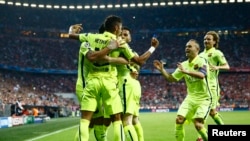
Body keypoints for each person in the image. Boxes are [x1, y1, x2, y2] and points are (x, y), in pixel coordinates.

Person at [64, 15, 126, 141]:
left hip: (93, 84)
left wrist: (71, 30)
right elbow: (92, 57)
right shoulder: (87, 44)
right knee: (96, 121)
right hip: (87, 84)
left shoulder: (88, 41)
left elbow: (71, 36)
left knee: (95, 121)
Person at [153, 39, 212, 141]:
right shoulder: (183, 65)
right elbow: (171, 79)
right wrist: (162, 70)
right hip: (190, 98)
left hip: (204, 99)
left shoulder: (202, 61)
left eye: (190, 46)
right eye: (186, 47)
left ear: (197, 49)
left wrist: (186, 71)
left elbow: (202, 75)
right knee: (179, 120)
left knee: (198, 125)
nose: (187, 48)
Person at [196, 31, 230, 141]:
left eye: (209, 39)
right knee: (203, 111)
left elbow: (227, 66)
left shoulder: (217, 53)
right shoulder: (200, 55)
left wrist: (217, 67)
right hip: (202, 88)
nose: (206, 41)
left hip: (212, 87)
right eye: (205, 39)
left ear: (214, 42)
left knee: (211, 112)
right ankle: (201, 136)